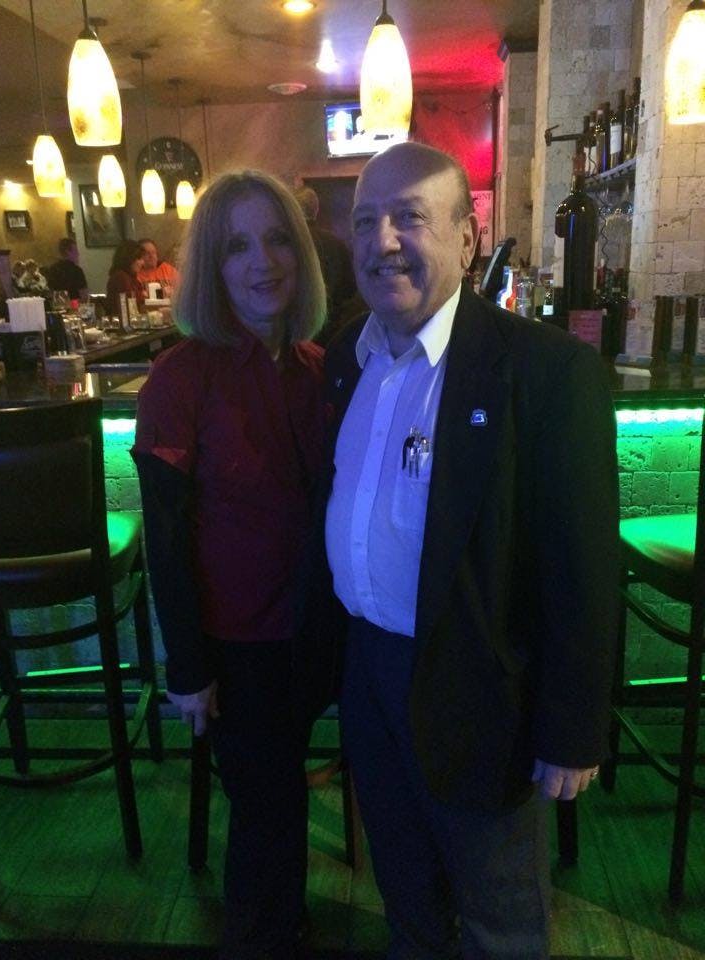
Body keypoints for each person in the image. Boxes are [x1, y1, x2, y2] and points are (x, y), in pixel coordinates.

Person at [299, 141, 620, 959]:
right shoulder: (347, 357)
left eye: (410, 217)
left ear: (469, 236)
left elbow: (581, 567)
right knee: (405, 897)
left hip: (481, 682)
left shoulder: (547, 370)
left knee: (498, 918)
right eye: (367, 221)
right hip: (368, 674)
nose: (383, 241)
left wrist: (574, 728)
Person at [132, 169, 327, 960]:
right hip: (234, 642)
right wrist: (187, 668)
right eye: (238, 245)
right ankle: (263, 936)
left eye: (278, 238)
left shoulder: (322, 367)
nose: (263, 260)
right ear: (211, 267)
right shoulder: (179, 378)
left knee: (280, 801)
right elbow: (166, 535)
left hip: (314, 629)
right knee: (266, 808)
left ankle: (287, 925)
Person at [294, 185, 358, 345]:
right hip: (332, 332)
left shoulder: (286, 245)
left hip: (294, 332)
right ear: (316, 209)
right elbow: (350, 290)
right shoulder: (335, 243)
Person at [105, 240, 145, 317]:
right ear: (129, 258)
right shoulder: (120, 277)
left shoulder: (131, 277)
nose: (142, 263)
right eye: (139, 259)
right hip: (122, 322)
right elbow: (130, 303)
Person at [45, 238, 88, 302]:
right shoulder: (77, 271)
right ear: (68, 252)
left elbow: (50, 292)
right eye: (75, 251)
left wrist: (62, 302)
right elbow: (83, 295)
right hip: (75, 307)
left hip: (59, 306)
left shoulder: (52, 269)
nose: (78, 254)